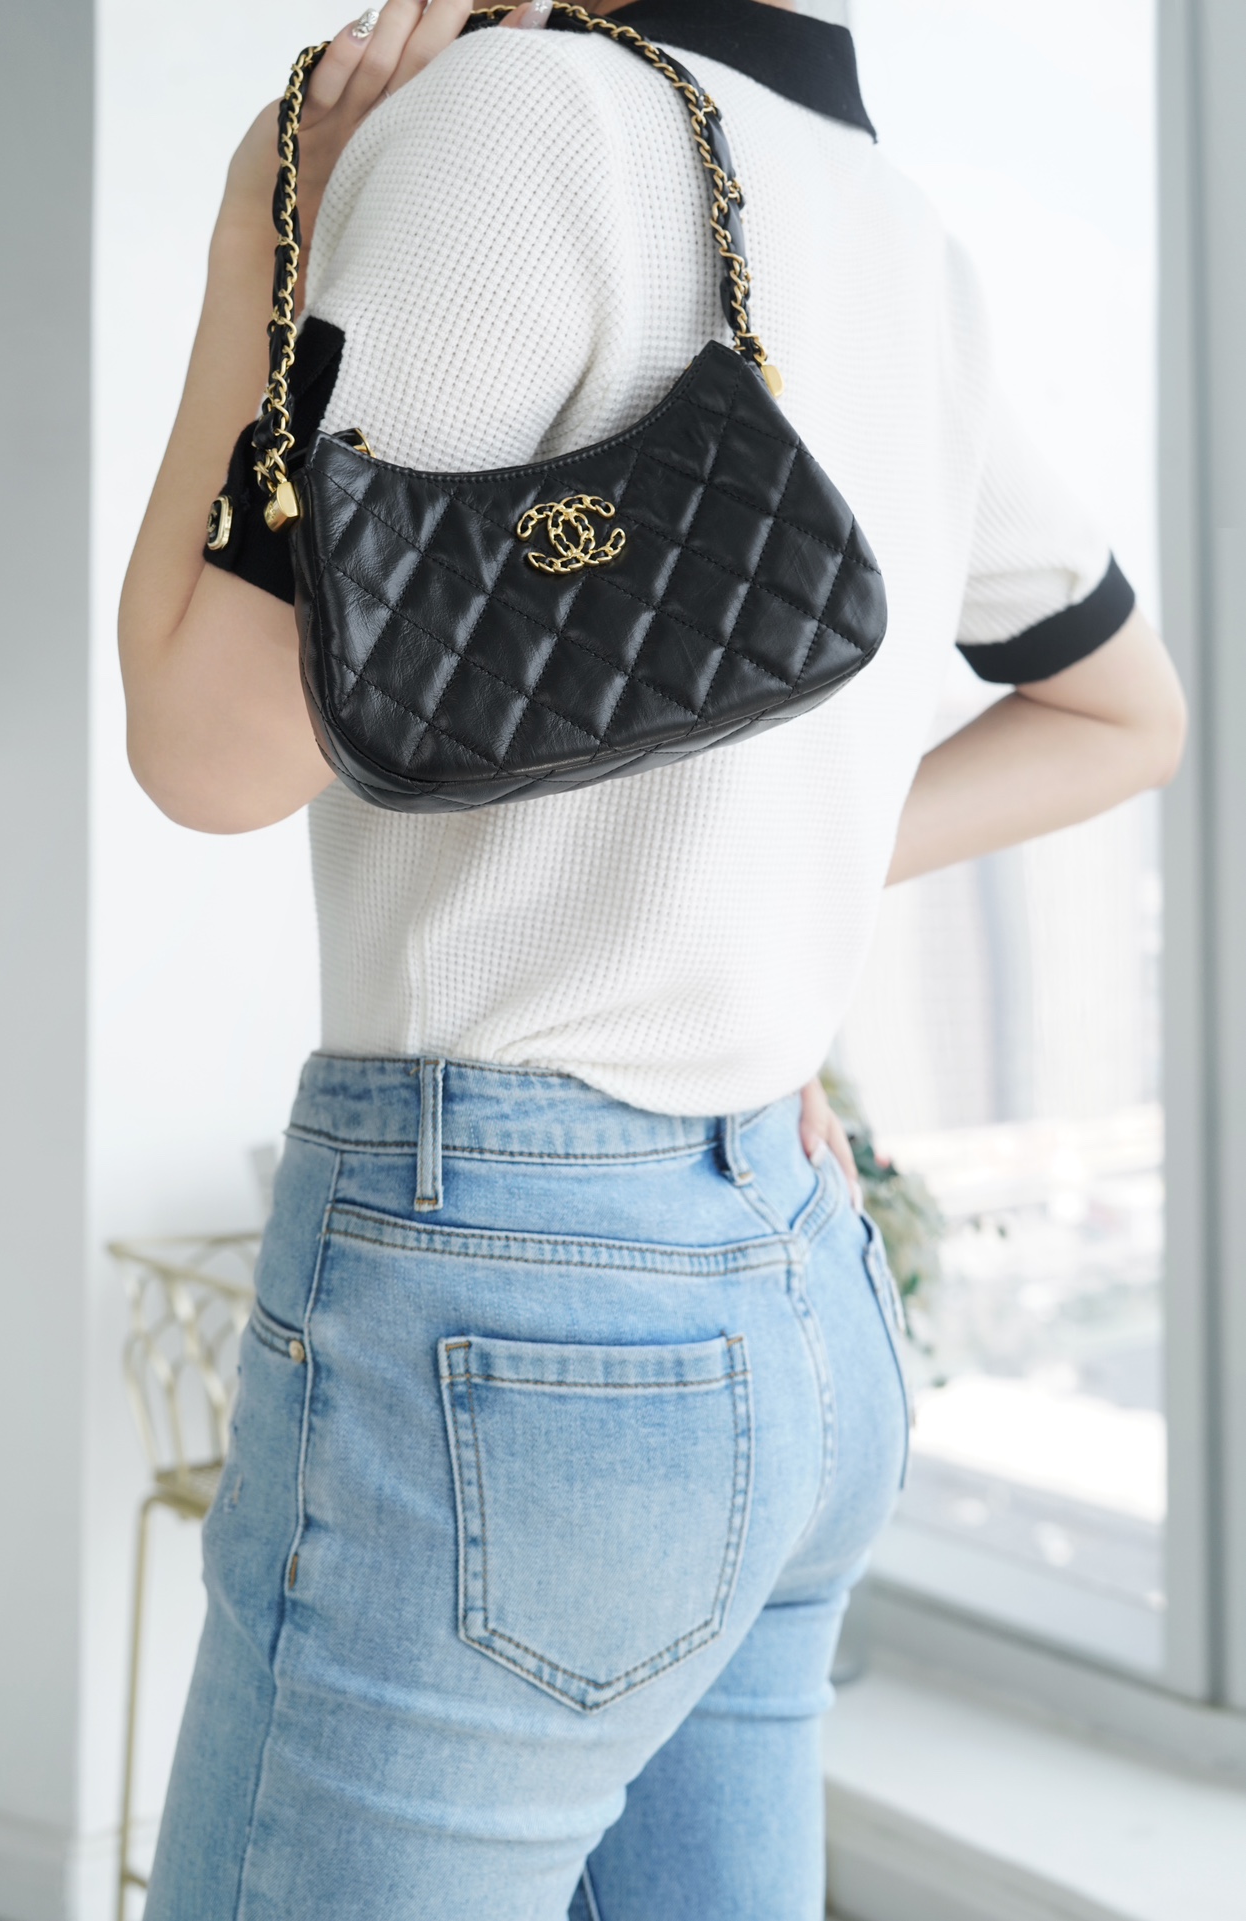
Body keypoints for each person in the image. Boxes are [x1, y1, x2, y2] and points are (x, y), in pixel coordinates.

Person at [120, 3, 1187, 1916]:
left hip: (511, 1310)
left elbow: (204, 746)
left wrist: (250, 239)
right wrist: (774, 882)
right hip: (800, 1288)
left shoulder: (519, 120)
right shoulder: (896, 231)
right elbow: (1124, 712)